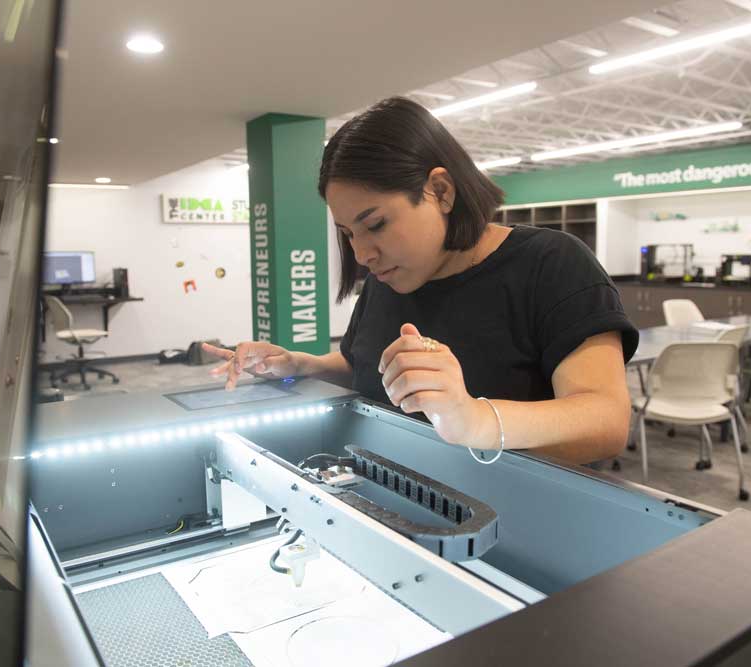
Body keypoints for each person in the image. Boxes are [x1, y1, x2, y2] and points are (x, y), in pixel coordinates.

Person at [204, 97, 637, 465]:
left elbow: (605, 421)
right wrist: (302, 365)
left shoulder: (552, 264)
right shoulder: (387, 279)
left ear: (441, 191)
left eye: (375, 224)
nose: (362, 253)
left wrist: (474, 419)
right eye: (348, 234)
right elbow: (366, 365)